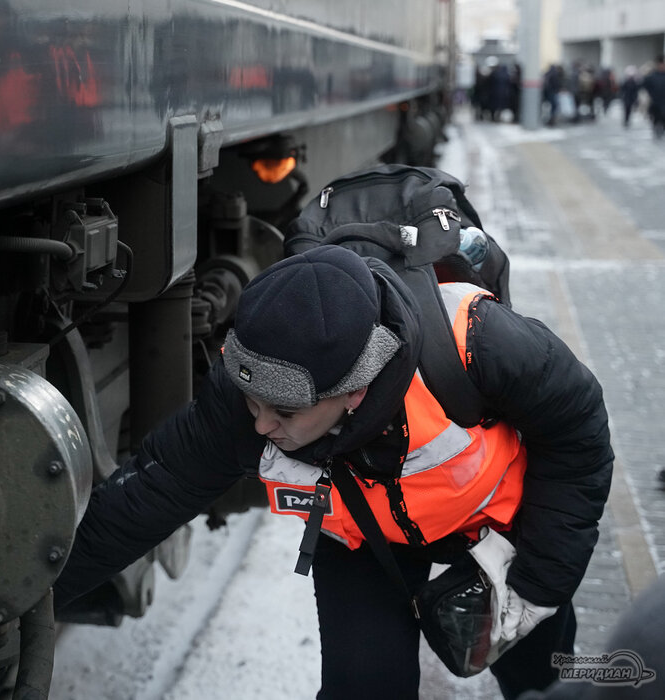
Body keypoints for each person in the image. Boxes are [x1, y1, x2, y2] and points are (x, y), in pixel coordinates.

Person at [53, 245, 614, 699]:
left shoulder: (481, 343)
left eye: (286, 413)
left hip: (499, 530)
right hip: (368, 542)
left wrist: (539, 579)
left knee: (541, 680)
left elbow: (579, 434)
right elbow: (148, 494)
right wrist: (30, 602)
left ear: (355, 390)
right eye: (252, 402)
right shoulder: (249, 392)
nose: (260, 425)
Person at [644, 55, 665, 139]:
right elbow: (645, 85)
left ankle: (661, 132)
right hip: (655, 102)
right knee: (655, 118)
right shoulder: (652, 76)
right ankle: (656, 132)